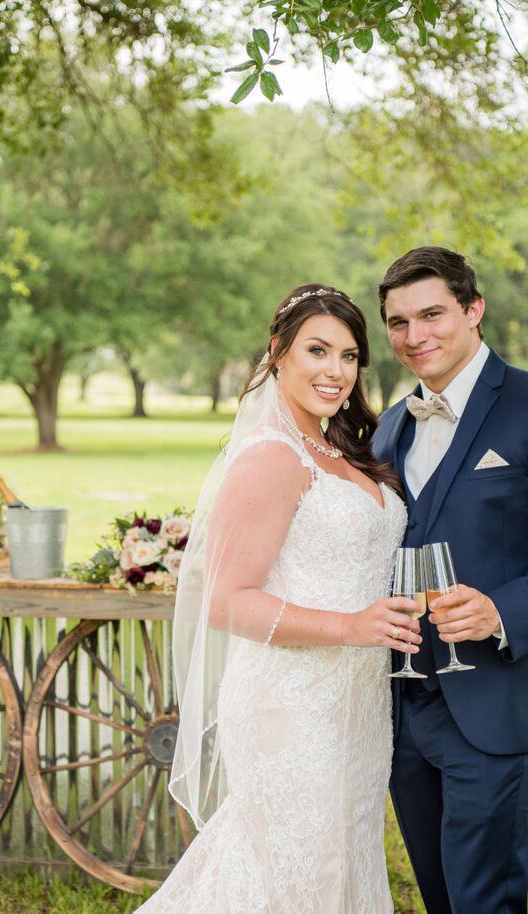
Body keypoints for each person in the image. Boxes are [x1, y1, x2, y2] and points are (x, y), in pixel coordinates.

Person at [136, 285, 422, 913]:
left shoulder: (344, 453)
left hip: (359, 705)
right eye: (317, 350)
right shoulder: (270, 456)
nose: (335, 371)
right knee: (287, 873)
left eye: (349, 356)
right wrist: (351, 626)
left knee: (339, 863)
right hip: (288, 704)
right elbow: (226, 602)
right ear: (278, 353)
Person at [372, 246, 528, 914]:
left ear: (474, 309)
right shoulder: (390, 427)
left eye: (431, 314)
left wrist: (499, 611)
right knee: (439, 895)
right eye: (398, 322)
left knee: (485, 899)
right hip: (398, 708)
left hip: (493, 699)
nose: (414, 336)